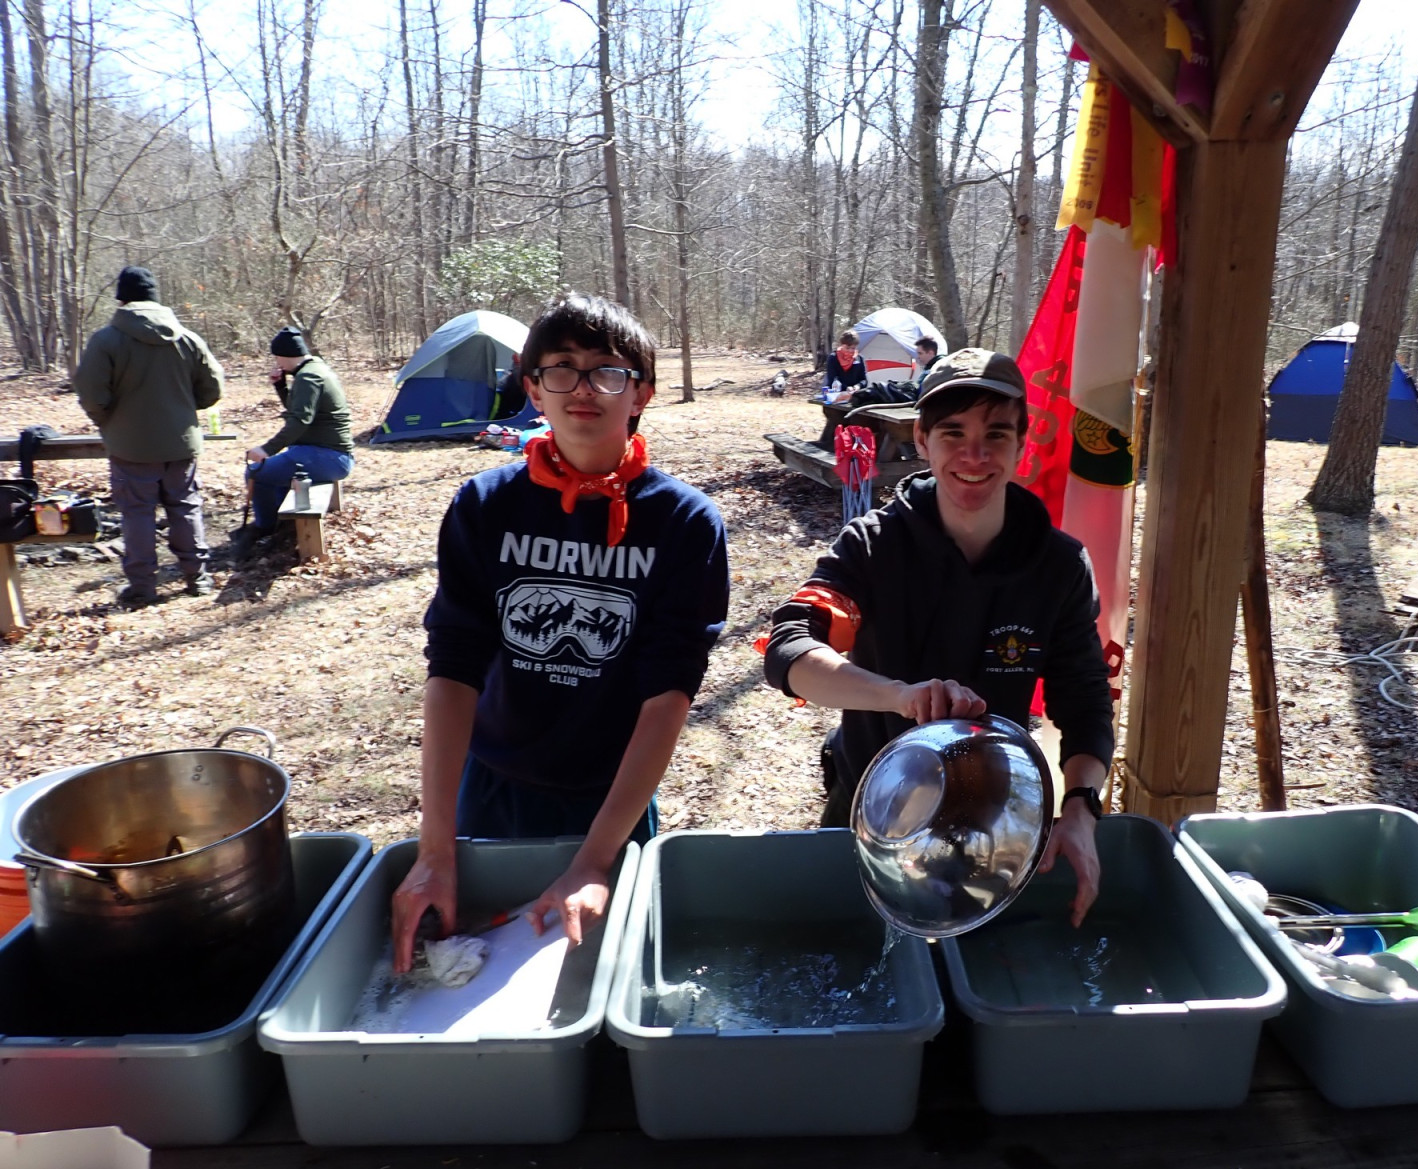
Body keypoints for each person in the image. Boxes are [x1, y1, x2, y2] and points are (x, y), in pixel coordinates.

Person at [390, 292, 730, 968]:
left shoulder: (685, 522)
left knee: (598, 974)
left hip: (611, 800)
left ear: (642, 393)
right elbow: (453, 668)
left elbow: (669, 694)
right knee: (474, 970)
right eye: (562, 368)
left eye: (607, 370)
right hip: (492, 788)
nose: (582, 387)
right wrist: (435, 850)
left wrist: (596, 861)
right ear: (532, 388)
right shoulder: (484, 506)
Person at [762, 347, 1114, 926]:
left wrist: (1080, 808)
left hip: (995, 821)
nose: (975, 456)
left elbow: (1085, 700)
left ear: (1022, 444)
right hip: (868, 806)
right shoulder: (871, 546)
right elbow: (791, 650)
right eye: (953, 433)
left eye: (996, 434)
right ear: (922, 441)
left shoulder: (1059, 566)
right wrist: (899, 696)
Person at [73, 266, 225, 606]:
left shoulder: (106, 341)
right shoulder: (187, 338)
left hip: (130, 446)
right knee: (185, 507)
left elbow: (91, 395)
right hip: (180, 442)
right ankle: (197, 577)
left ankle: (143, 587)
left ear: (121, 300)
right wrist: (184, 409)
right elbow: (213, 388)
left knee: (137, 513)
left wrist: (109, 422)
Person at [239, 328, 355, 550]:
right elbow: (300, 410)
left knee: (256, 473)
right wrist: (280, 386)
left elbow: (300, 420)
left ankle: (265, 528)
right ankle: (285, 526)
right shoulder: (315, 368)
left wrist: (266, 449)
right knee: (279, 472)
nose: (277, 362)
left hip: (327, 456)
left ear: (283, 355)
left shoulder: (308, 377)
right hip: (329, 454)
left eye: (277, 357)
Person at [822, 330, 867, 400]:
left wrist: (858, 386)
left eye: (853, 348)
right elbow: (832, 379)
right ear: (841, 345)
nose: (850, 351)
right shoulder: (833, 358)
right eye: (847, 348)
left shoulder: (859, 358)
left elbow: (864, 380)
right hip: (836, 395)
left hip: (855, 396)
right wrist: (846, 388)